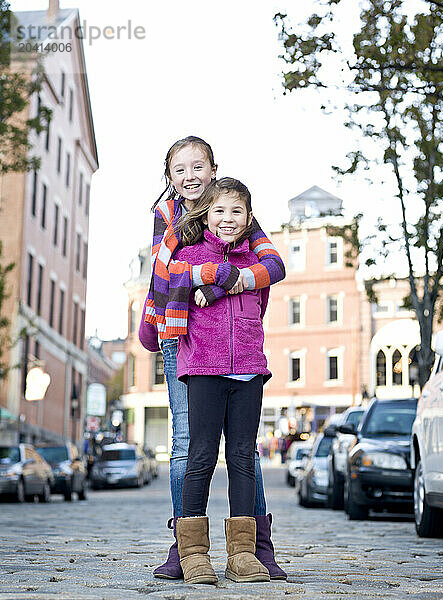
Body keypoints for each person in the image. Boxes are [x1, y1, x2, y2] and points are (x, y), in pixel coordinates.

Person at [138, 136, 286, 580]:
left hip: (239, 350)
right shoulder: (168, 217)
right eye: (179, 170)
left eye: (198, 166)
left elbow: (272, 265)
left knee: (244, 452)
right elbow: (162, 274)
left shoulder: (233, 209)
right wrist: (210, 275)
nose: (190, 177)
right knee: (187, 444)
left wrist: (234, 280)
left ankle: (256, 547)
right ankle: (184, 547)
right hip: (182, 336)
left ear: (213, 168)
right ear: (169, 177)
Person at [173, 177, 275, 584]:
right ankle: (194, 553)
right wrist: (212, 280)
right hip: (204, 368)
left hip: (249, 368)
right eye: (220, 211)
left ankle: (243, 554)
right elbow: (173, 284)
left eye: (237, 211)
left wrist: (219, 291)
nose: (228, 219)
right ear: (207, 215)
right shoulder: (191, 256)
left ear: (249, 218)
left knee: (243, 458)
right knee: (200, 457)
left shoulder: (258, 262)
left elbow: (260, 301)